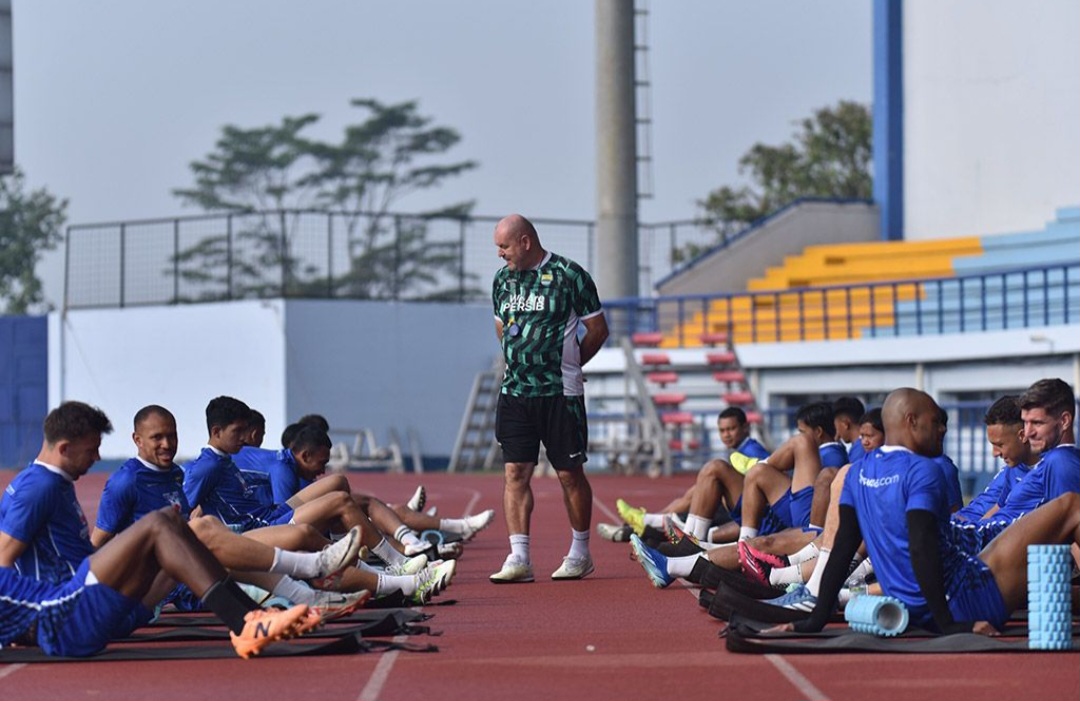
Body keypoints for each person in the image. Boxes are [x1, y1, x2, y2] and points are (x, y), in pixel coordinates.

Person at [0, 400, 314, 659]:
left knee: (178, 529)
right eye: (91, 450)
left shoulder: (48, 482)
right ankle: (289, 588)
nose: (97, 458)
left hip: (82, 599)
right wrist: (18, 631)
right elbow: (6, 556)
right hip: (71, 612)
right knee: (159, 524)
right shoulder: (38, 488)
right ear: (65, 448)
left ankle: (262, 611)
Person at [787, 387, 1080, 635]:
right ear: (912, 422)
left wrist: (816, 618)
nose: (942, 429)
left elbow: (842, 549)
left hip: (911, 606)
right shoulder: (923, 470)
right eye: (935, 421)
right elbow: (921, 544)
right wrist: (950, 625)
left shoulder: (857, 472)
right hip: (966, 598)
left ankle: (813, 591)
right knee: (1073, 505)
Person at [488, 213, 609, 583]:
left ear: (525, 241)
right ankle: (519, 557)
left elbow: (598, 329)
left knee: (569, 474)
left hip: (560, 393)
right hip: (515, 393)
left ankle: (580, 552)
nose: (500, 255)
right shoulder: (502, 281)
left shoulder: (570, 275)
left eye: (504, 247)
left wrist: (571, 362)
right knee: (514, 473)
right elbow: (500, 328)